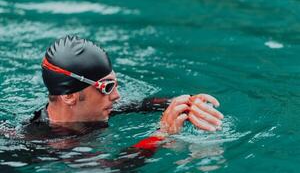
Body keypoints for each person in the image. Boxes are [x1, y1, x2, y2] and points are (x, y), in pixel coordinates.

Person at [24, 35, 224, 148]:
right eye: (107, 88)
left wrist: (187, 103)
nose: (117, 96)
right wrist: (161, 135)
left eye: (115, 84)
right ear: (69, 96)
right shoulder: (47, 142)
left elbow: (145, 104)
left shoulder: (98, 108)